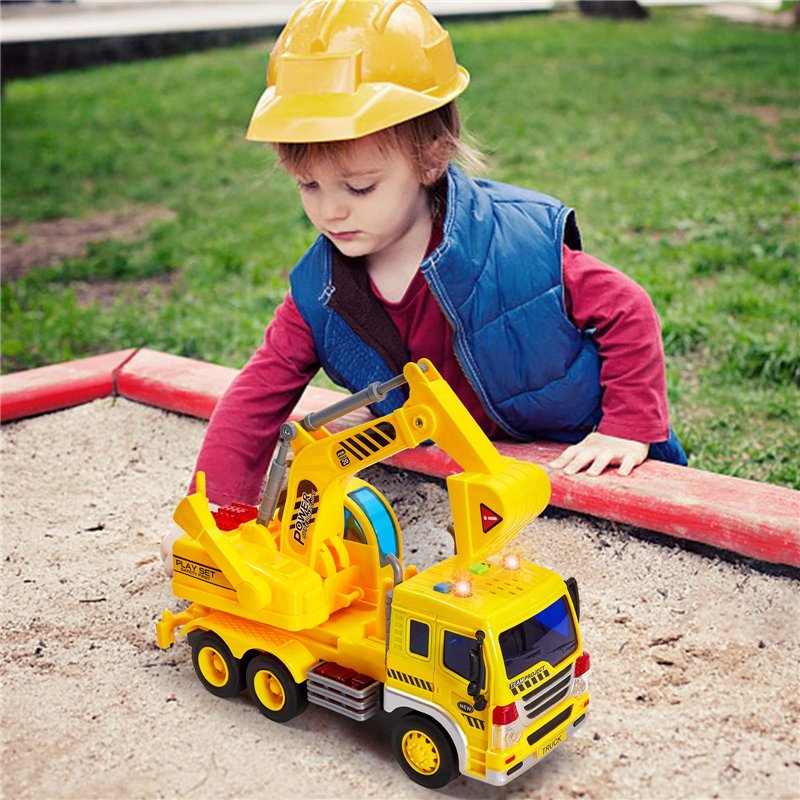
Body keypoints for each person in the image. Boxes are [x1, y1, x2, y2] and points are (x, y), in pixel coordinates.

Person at [191, 0, 687, 510]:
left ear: (432, 158)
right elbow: (257, 396)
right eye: (309, 185)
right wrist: (214, 515)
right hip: (462, 474)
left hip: (582, 449)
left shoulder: (512, 244)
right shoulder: (324, 293)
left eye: (360, 187)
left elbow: (627, 306)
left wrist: (627, 429)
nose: (330, 212)